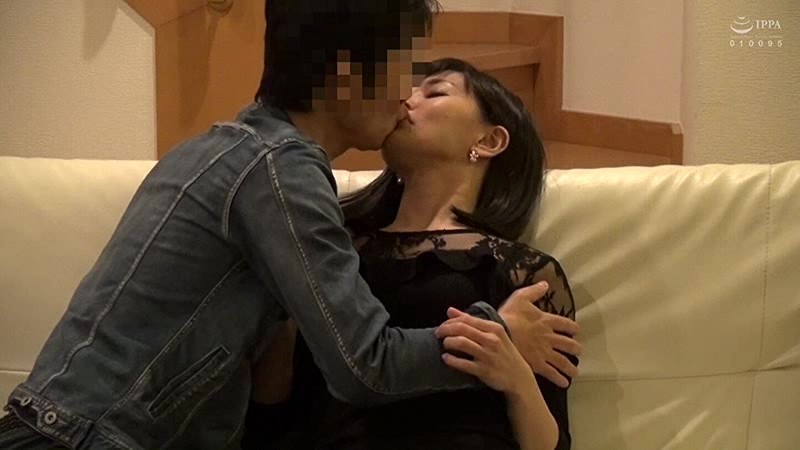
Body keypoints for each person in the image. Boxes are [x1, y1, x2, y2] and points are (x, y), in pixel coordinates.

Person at [0, 2, 580, 449]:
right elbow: (364, 366)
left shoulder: (243, 155)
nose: (405, 96)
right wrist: (498, 338)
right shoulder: (280, 173)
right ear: (348, 75)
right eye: (405, 69)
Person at [244, 59, 580, 450]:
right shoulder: (331, 247)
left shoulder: (525, 272)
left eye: (434, 92)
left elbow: (553, 445)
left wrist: (515, 378)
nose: (405, 98)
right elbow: (274, 413)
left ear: (489, 141)